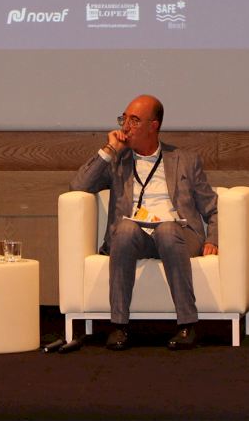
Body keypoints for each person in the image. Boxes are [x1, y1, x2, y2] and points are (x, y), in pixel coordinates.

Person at [69, 94, 218, 350]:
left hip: (178, 235)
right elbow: (78, 186)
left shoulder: (185, 160)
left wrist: (213, 238)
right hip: (135, 235)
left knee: (167, 229)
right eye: (124, 119)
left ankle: (187, 325)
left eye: (134, 120)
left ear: (153, 125)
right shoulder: (118, 160)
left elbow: (212, 208)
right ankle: (119, 326)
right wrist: (109, 150)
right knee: (125, 229)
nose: (126, 127)